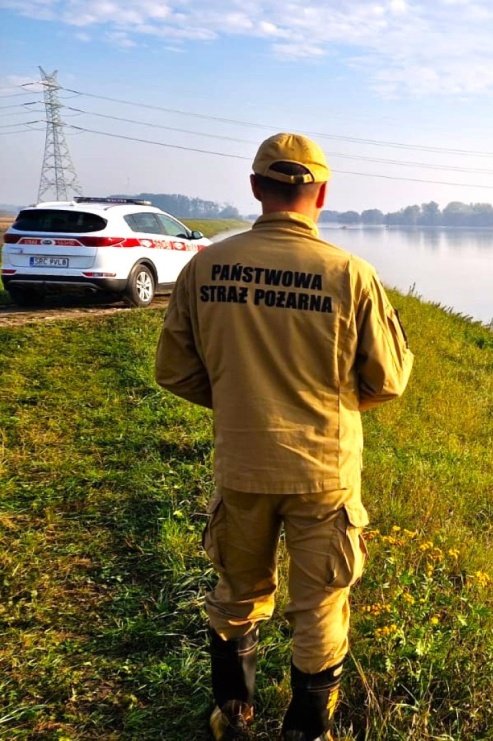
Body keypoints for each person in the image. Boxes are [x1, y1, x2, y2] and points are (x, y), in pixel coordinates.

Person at [155, 132, 414, 740]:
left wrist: (240, 402)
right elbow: (389, 379)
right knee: (320, 606)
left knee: (237, 592)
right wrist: (336, 405)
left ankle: (233, 715)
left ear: (254, 189)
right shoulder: (350, 273)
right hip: (324, 473)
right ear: (321, 193)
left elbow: (175, 371)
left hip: (242, 465)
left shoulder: (205, 266)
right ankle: (306, 732)